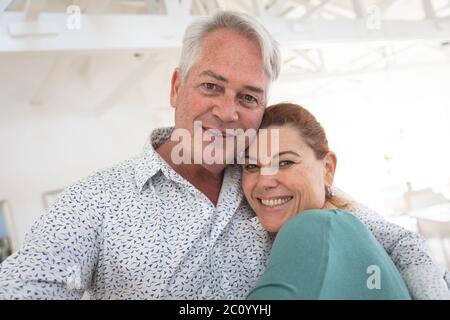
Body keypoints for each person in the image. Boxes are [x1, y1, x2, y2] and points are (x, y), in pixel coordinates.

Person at [0, 11, 448, 300]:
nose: (227, 112)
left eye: (249, 97)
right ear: (177, 87)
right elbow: (23, 288)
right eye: (211, 86)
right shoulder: (94, 202)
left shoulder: (271, 181)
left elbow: (401, 242)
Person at [242, 103, 412, 299]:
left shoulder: (308, 225)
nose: (264, 181)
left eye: (285, 162)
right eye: (252, 166)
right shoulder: (345, 229)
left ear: (328, 169)